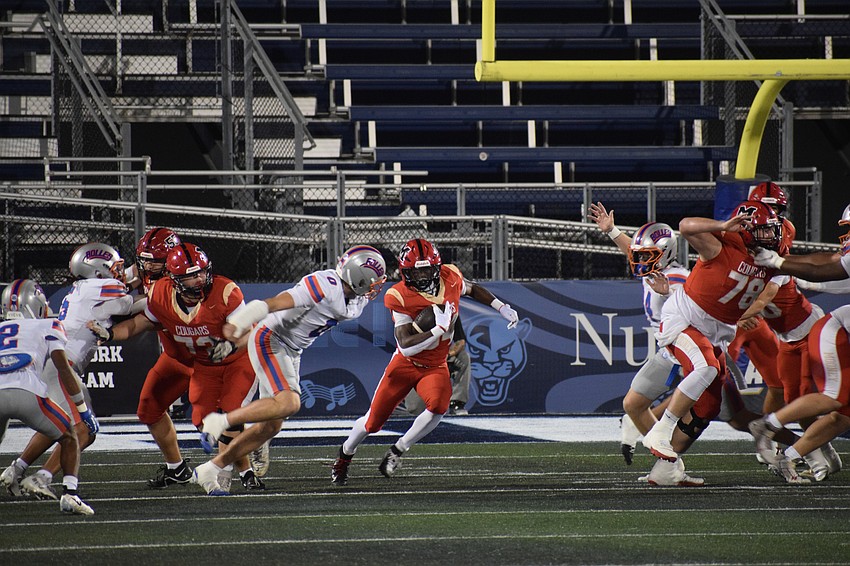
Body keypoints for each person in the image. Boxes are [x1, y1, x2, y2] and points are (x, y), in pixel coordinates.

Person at [189, 245, 389, 494]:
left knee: (272, 426)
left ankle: (212, 467)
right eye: (374, 281)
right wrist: (237, 326)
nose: (375, 287)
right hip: (271, 338)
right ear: (359, 277)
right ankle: (219, 422)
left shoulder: (356, 301)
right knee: (290, 403)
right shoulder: (324, 284)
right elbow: (272, 304)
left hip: (292, 350)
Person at [330, 238, 519, 485]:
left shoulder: (450, 277)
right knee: (372, 423)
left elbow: (471, 288)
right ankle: (344, 456)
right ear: (404, 271)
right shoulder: (398, 295)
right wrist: (437, 331)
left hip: (435, 365)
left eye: (425, 269)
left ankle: (397, 450)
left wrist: (501, 306)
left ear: (437, 267)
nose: (420, 276)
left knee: (439, 406)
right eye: (414, 271)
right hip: (406, 365)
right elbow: (405, 345)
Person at [90, 242, 261, 493]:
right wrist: (110, 333)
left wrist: (231, 345)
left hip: (238, 360)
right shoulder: (161, 293)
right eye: (191, 276)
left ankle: (235, 471)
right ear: (174, 278)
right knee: (205, 423)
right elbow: (140, 323)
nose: (200, 279)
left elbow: (249, 331)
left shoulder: (226, 291)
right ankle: (246, 443)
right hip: (205, 364)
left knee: (229, 413)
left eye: (201, 272)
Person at [641, 201, 790, 469]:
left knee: (709, 406)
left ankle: (665, 470)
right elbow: (686, 225)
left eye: (772, 231)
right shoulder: (721, 247)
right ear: (745, 229)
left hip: (715, 333)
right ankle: (660, 431)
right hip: (684, 321)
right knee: (706, 368)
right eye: (764, 231)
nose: (771, 236)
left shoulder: (771, 259)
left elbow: (772, 286)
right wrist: (722, 225)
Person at [1, 243, 134, 501]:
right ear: (98, 271)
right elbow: (130, 303)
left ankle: (16, 468)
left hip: (51, 366)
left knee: (57, 423)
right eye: (114, 268)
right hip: (63, 365)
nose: (119, 273)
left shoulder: (84, 289)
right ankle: (42, 478)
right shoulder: (97, 287)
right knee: (84, 429)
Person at [0, 279, 99, 514]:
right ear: (36, 304)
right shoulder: (48, 324)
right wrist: (82, 410)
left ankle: (16, 469)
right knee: (71, 435)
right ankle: (70, 495)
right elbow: (63, 369)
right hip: (27, 391)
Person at [130, 227, 197, 488]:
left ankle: (253, 442)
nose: (147, 265)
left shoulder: (182, 283)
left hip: (205, 357)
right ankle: (177, 468)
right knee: (149, 408)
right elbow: (132, 278)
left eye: (153, 261)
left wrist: (120, 303)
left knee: (221, 420)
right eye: (144, 259)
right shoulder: (148, 272)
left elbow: (149, 310)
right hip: (175, 356)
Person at [404, 314, 471, 416]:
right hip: (418, 362)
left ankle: (457, 403)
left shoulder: (449, 309)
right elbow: (405, 344)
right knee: (416, 409)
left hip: (441, 357)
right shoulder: (410, 311)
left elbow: (460, 341)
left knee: (462, 357)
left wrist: (447, 355)